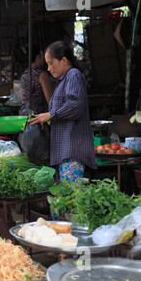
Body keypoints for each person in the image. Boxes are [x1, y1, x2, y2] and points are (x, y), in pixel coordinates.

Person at [27, 41, 96, 183]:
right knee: (65, 197)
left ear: (64, 60)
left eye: (51, 63)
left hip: (72, 150)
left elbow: (75, 104)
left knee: (70, 197)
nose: (49, 68)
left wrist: (51, 115)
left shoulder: (73, 75)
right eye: (47, 64)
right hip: (65, 151)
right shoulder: (63, 80)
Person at [19, 45, 54, 115]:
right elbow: (49, 99)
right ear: (38, 57)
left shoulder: (24, 75)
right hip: (38, 116)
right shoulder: (42, 75)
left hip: (24, 115)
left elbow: (22, 98)